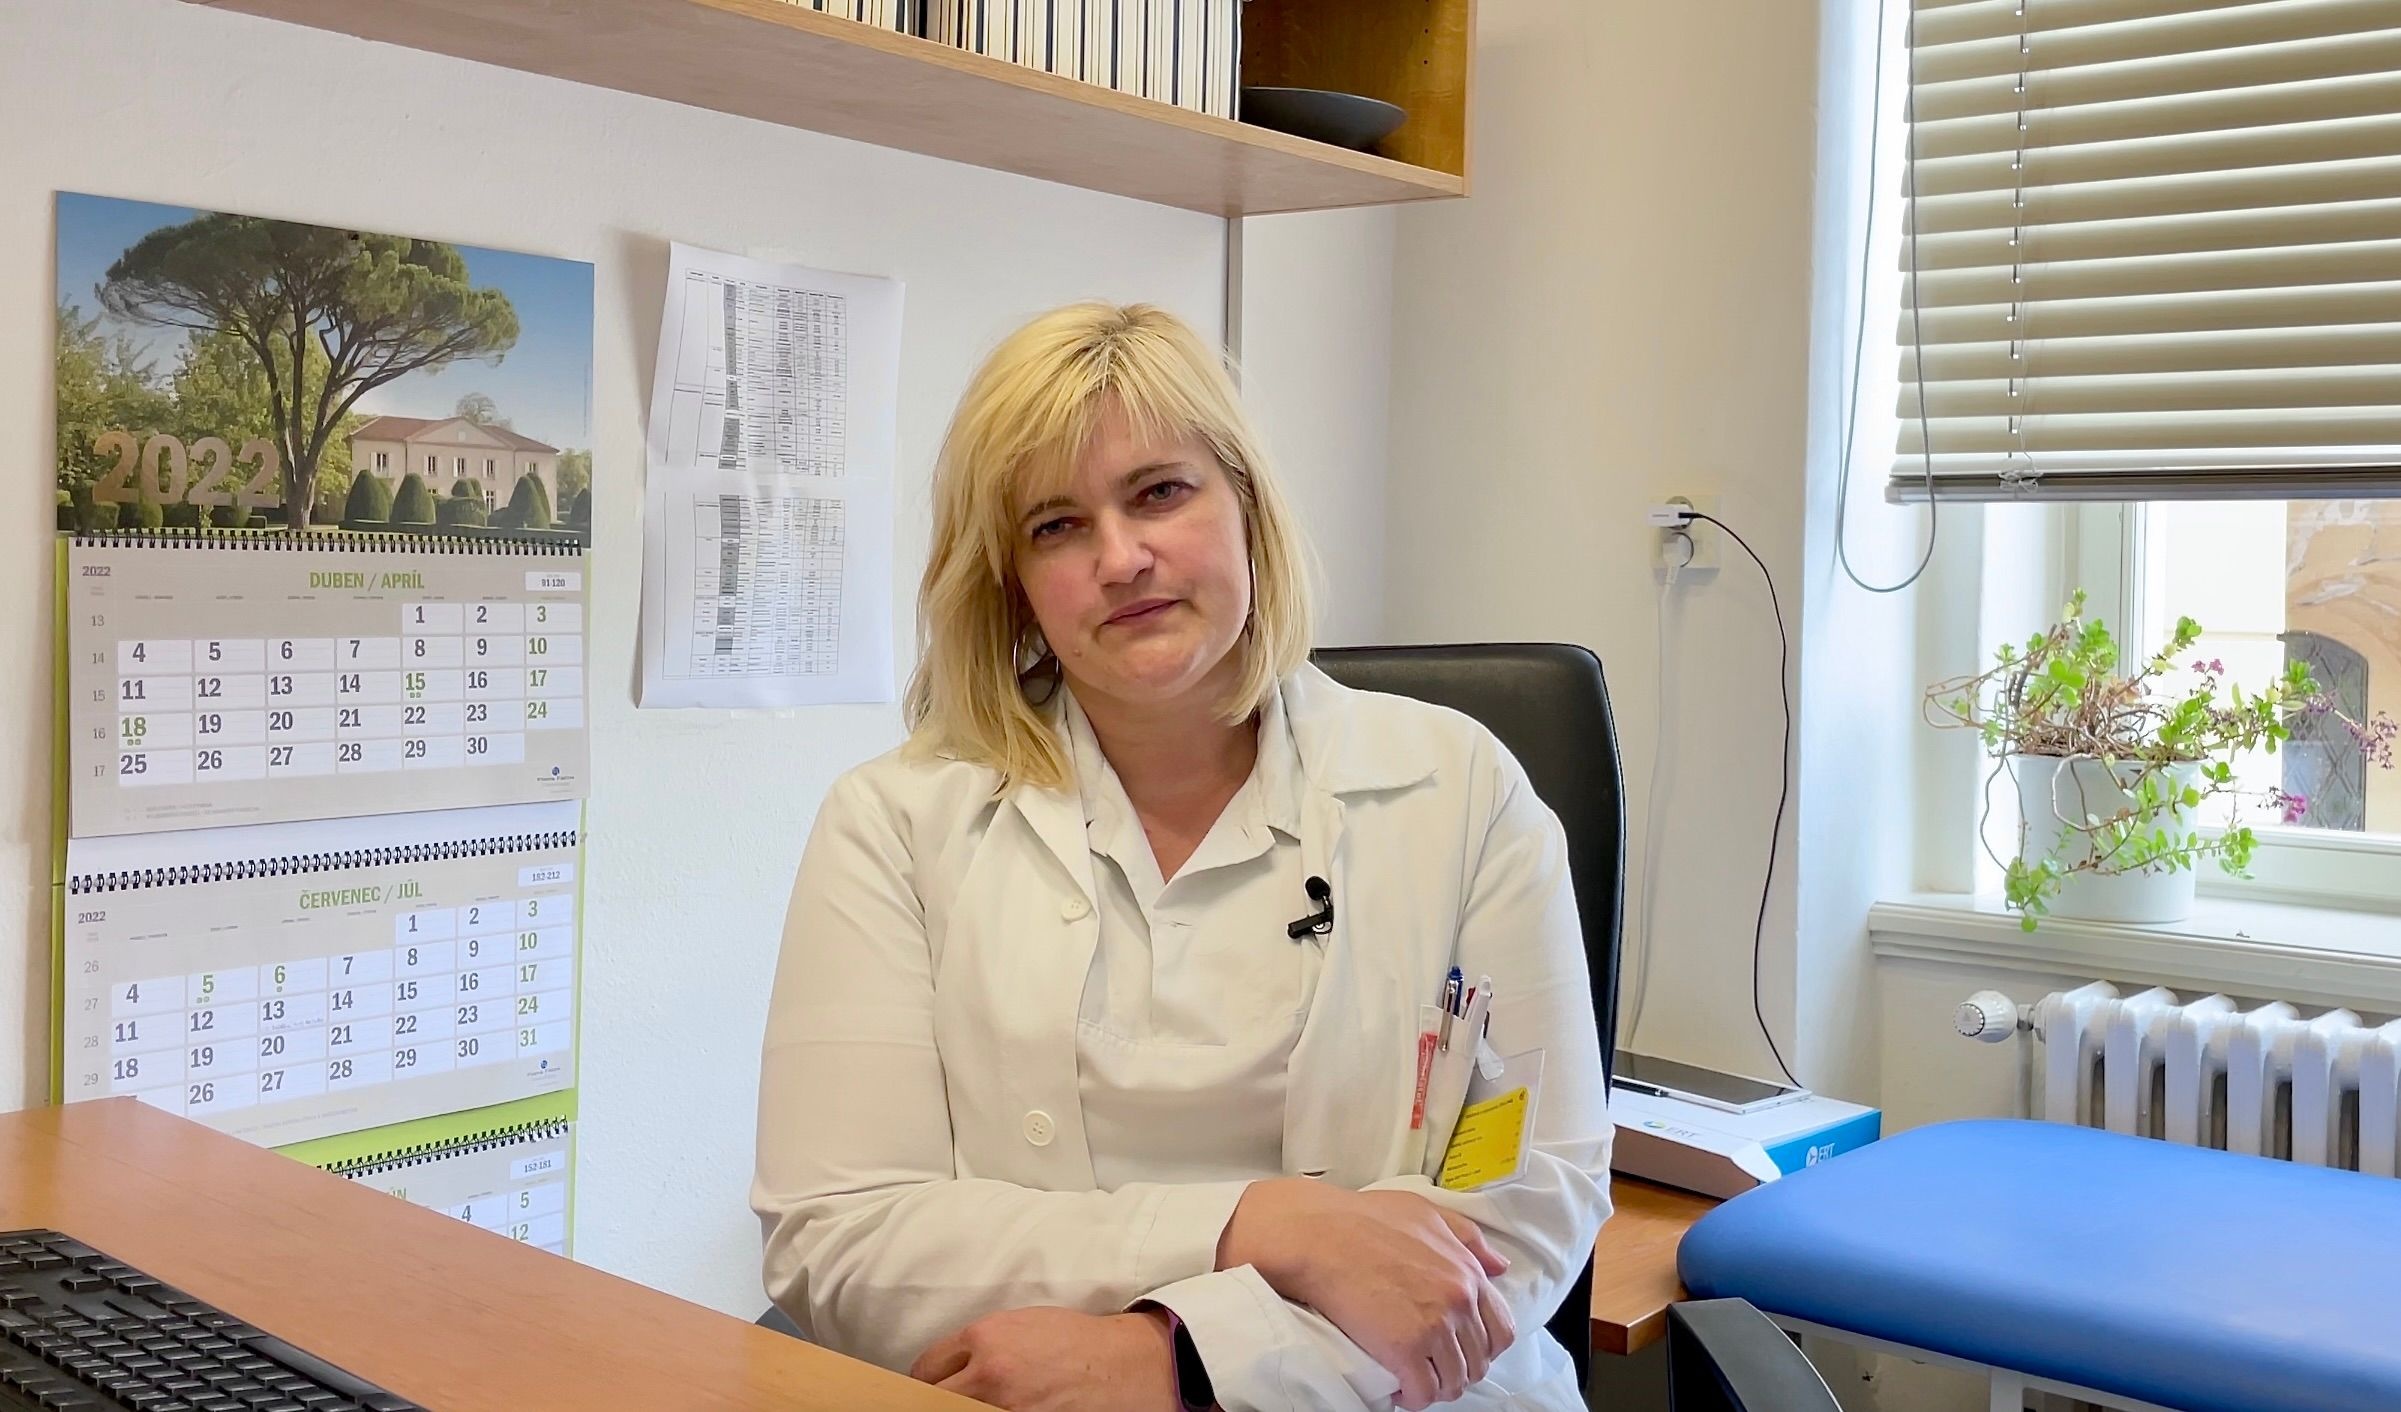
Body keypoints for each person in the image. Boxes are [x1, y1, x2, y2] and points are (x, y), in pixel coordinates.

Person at [753, 301, 1611, 1412]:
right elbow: (839, 1234)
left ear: (1247, 505)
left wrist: (1180, 1359)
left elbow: (1525, 1204)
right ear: (1011, 581)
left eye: (1160, 492)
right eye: (1056, 525)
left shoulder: (1459, 788)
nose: (1121, 558)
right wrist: (1256, 1223)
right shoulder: (893, 821)